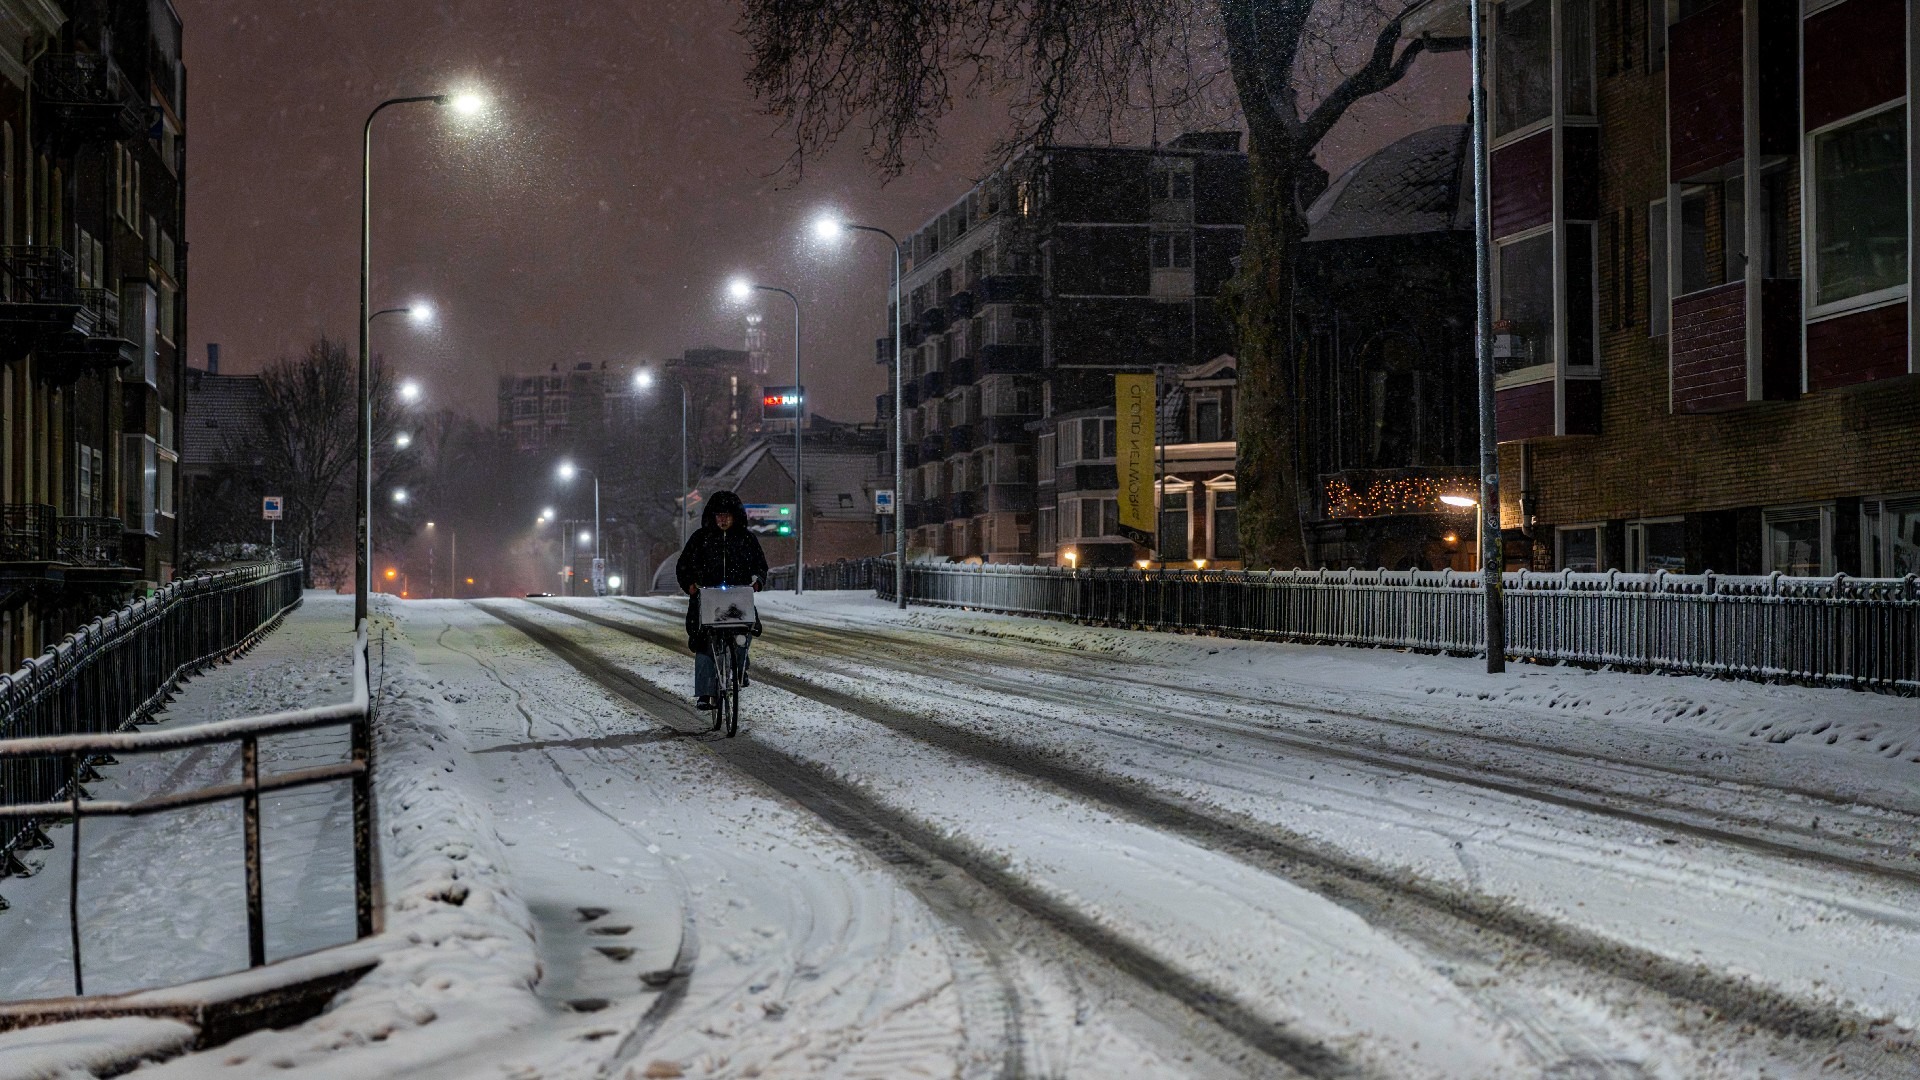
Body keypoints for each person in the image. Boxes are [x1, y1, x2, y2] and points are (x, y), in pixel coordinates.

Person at [675, 490, 768, 710]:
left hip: (738, 599)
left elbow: (760, 565)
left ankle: (740, 668)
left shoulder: (746, 539)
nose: (723, 519)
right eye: (719, 515)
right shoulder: (700, 539)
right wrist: (690, 584)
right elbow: (683, 565)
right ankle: (706, 693)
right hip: (706, 600)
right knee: (705, 643)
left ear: (735, 516)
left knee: (743, 634)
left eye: (727, 515)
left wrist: (757, 581)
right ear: (712, 517)